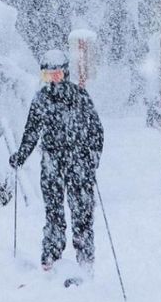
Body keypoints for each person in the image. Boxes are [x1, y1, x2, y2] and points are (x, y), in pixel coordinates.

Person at [9, 49, 104, 275]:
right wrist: (21, 155)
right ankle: (51, 256)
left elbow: (96, 131)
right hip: (52, 161)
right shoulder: (41, 99)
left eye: (57, 75)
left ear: (66, 74)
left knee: (82, 212)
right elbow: (32, 131)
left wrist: (92, 158)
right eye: (47, 76)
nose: (53, 81)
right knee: (53, 212)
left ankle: (85, 260)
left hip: (78, 162)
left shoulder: (80, 97)